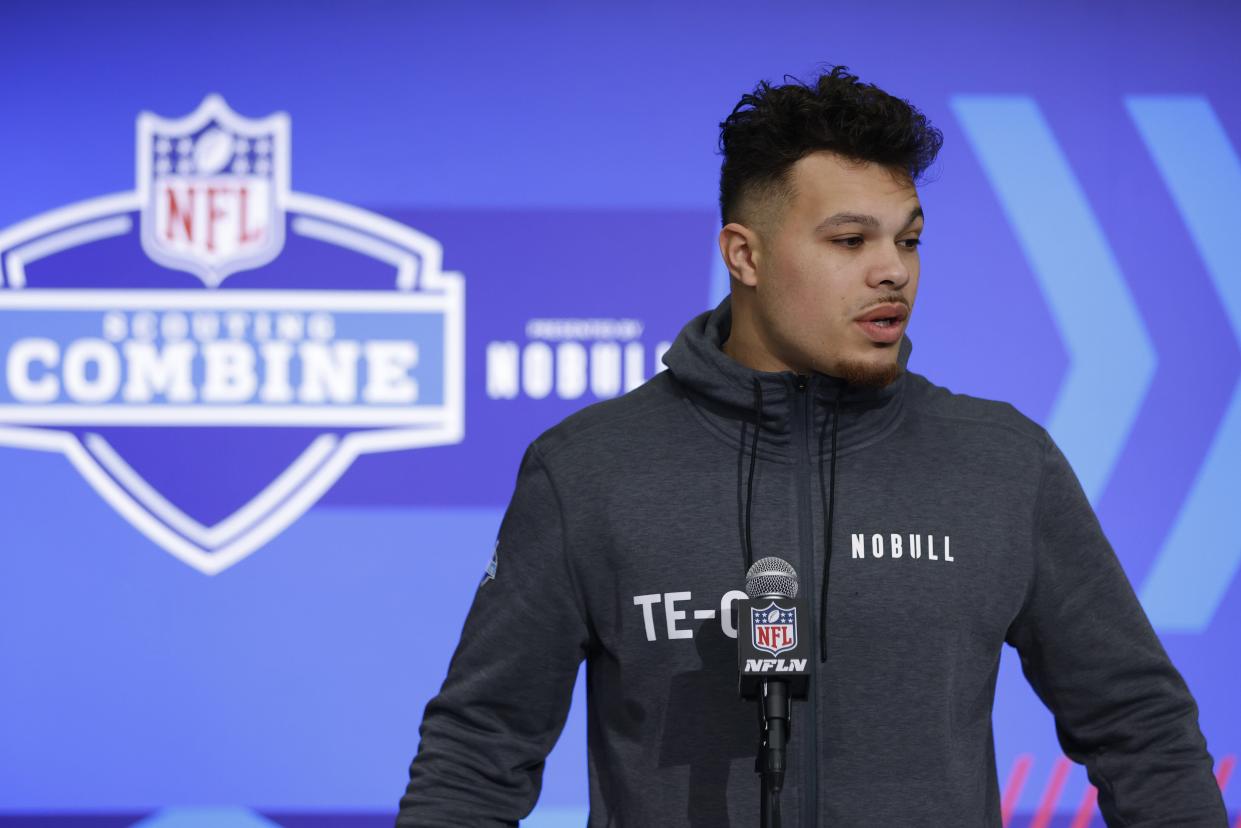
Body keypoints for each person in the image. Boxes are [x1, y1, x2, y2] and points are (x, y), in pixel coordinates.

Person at [397, 67, 1226, 827]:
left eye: (907, 240)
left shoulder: (1002, 462)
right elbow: (476, 756)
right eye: (848, 241)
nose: (891, 272)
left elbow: (1140, 728)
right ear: (743, 254)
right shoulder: (588, 469)